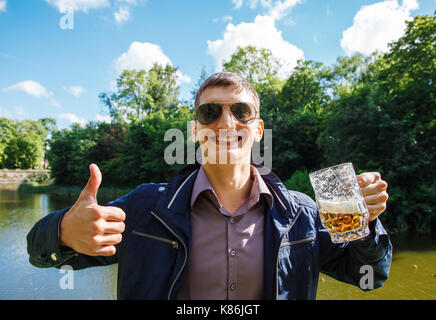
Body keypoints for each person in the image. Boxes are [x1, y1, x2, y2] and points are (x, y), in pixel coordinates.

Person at [27, 71, 392, 300]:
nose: (225, 123)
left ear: (258, 129)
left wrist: (366, 223)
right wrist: (60, 231)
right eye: (210, 112)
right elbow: (39, 253)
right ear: (195, 130)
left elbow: (369, 276)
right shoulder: (145, 210)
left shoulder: (302, 215)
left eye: (241, 111)